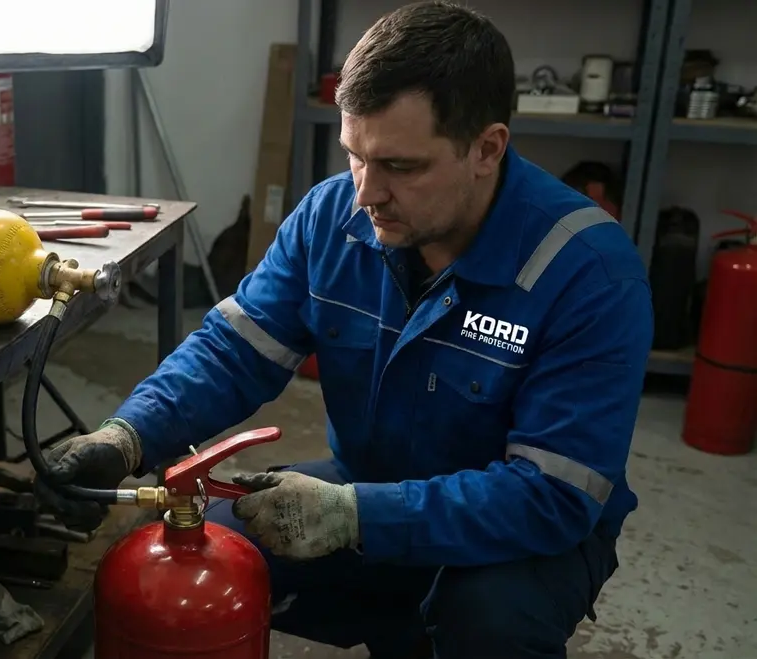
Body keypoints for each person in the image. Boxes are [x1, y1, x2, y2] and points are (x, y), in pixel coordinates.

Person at [37, 2, 653, 657]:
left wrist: (357, 515)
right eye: (355, 155)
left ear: (487, 148)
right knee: (206, 548)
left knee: (486, 622)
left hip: (521, 533)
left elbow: (552, 496)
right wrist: (128, 434)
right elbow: (233, 352)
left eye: (401, 166)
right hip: (371, 484)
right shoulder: (332, 219)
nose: (366, 192)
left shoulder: (588, 273)